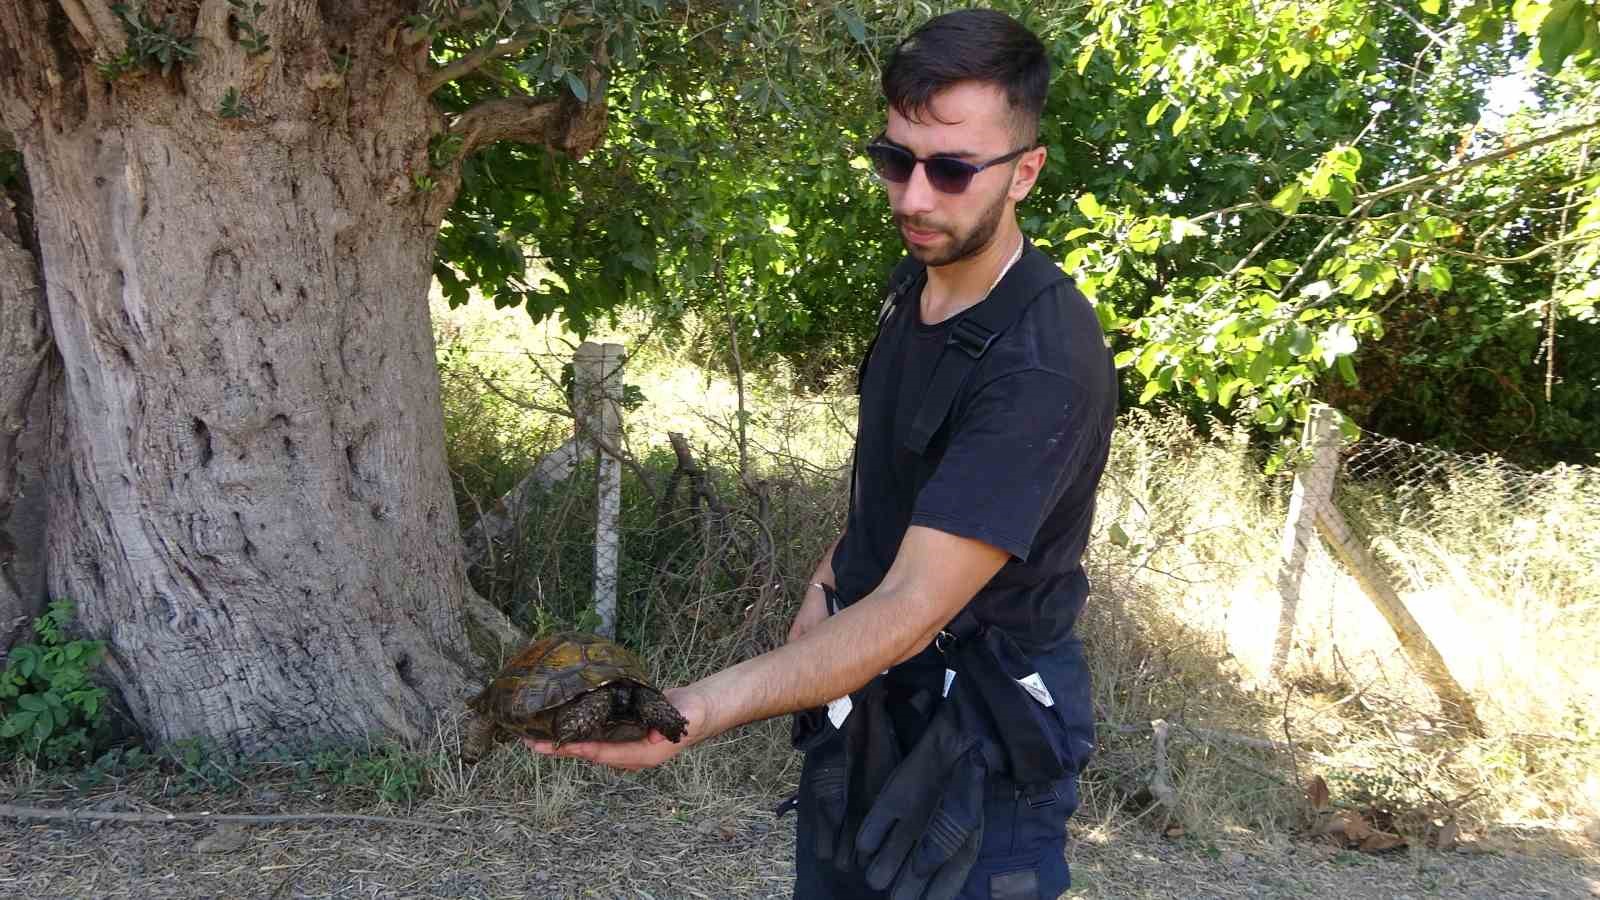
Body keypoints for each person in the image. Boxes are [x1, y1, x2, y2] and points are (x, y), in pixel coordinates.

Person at [527, 9, 1117, 898]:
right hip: (869, 714)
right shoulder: (910, 288)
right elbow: (894, 484)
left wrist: (687, 710)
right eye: (895, 160)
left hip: (982, 753)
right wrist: (824, 579)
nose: (915, 198)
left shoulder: (1041, 366)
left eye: (952, 170)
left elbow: (913, 607)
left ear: (1024, 170)